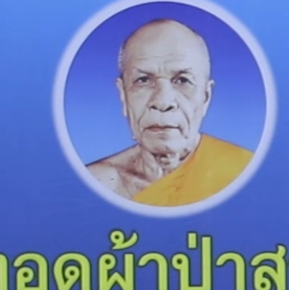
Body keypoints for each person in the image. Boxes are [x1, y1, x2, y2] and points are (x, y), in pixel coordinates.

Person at [86, 18, 253, 207]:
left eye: (182, 80)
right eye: (143, 80)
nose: (163, 102)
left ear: (206, 97)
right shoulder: (93, 184)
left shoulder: (246, 174)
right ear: (124, 95)